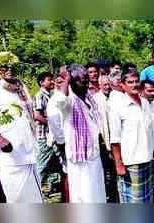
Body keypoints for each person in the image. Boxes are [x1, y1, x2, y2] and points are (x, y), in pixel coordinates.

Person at [0, 68, 43, 203]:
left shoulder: (20, 87)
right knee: (17, 197)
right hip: (9, 156)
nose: (10, 69)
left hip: (28, 152)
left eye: (13, 66)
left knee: (34, 197)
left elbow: (29, 114)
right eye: (5, 66)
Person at [54, 64, 106, 203]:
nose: (85, 84)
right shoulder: (69, 102)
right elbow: (59, 100)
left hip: (93, 155)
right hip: (80, 159)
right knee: (84, 196)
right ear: (71, 82)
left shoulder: (89, 98)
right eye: (81, 81)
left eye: (86, 81)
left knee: (97, 194)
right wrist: (66, 80)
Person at [108, 70, 154, 203]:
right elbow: (114, 139)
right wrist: (119, 164)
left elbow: (149, 130)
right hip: (131, 163)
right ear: (122, 85)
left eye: (136, 81)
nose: (134, 85)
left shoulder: (145, 103)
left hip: (147, 159)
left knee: (148, 200)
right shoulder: (117, 106)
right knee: (134, 202)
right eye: (130, 82)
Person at [33, 71, 59, 197]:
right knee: (42, 163)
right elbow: (37, 115)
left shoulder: (51, 96)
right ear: (41, 82)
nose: (52, 82)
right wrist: (50, 123)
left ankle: (51, 189)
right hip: (44, 135)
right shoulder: (40, 96)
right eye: (49, 80)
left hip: (52, 135)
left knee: (54, 163)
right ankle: (36, 189)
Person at [94, 75, 118, 203]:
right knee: (105, 172)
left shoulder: (115, 97)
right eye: (105, 85)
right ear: (99, 85)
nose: (107, 87)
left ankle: (116, 196)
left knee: (115, 171)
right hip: (103, 141)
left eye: (109, 84)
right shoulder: (96, 99)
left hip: (116, 139)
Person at [46, 68, 69, 202]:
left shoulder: (66, 98)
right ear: (55, 83)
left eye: (64, 81)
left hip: (69, 142)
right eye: (59, 82)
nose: (61, 85)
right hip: (63, 142)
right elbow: (56, 126)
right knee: (66, 173)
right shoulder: (54, 101)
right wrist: (62, 143)